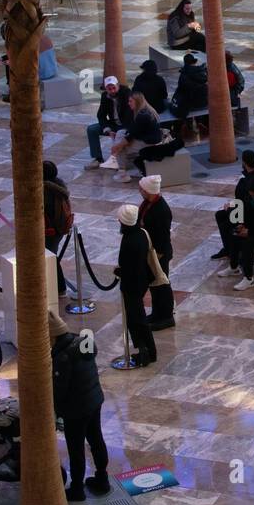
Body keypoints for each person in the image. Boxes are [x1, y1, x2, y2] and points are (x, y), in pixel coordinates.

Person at [49, 311, 110, 501]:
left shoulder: (62, 357)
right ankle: (102, 478)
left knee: (76, 449)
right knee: (96, 439)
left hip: (76, 409)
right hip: (94, 400)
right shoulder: (82, 342)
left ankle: (77, 488)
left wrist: (56, 413)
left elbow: (60, 390)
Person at [110, 204, 157, 367]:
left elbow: (129, 266)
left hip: (132, 285)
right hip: (141, 281)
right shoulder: (141, 233)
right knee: (136, 318)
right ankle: (147, 351)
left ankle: (147, 352)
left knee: (137, 319)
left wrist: (119, 271)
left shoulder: (130, 240)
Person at [211, 149, 254, 261]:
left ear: (244, 163)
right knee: (221, 215)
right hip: (252, 211)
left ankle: (231, 251)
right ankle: (229, 249)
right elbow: (243, 200)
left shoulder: (249, 182)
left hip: (253, 215)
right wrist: (232, 205)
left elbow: (246, 205)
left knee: (225, 222)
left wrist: (230, 208)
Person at [137, 175, 175, 329]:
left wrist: (157, 254)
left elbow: (163, 235)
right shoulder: (149, 204)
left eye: (141, 189)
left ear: (148, 191)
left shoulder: (161, 210)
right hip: (151, 252)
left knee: (162, 285)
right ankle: (157, 313)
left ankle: (166, 317)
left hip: (159, 253)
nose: (140, 191)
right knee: (155, 285)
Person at [105, 92, 163, 180]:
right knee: (120, 133)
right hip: (147, 137)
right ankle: (121, 163)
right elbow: (132, 130)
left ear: (137, 101)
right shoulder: (145, 110)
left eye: (130, 101)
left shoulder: (142, 115)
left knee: (122, 147)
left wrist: (116, 147)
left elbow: (130, 136)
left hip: (149, 143)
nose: (128, 103)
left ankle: (122, 173)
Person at [85, 76, 132, 169]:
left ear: (118, 85)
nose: (112, 91)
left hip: (125, 124)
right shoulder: (105, 96)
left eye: (114, 88)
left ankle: (118, 160)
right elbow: (101, 115)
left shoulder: (126, 94)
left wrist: (121, 130)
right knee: (91, 130)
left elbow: (130, 115)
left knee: (120, 134)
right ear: (106, 89)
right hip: (113, 124)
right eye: (109, 89)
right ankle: (98, 158)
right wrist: (108, 129)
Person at [43, 161, 73, 296]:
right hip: (59, 228)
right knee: (51, 256)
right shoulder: (59, 184)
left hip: (51, 230)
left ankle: (60, 288)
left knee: (51, 258)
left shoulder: (45, 190)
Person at [169, 52, 210, 139]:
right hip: (202, 103)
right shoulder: (202, 73)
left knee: (183, 104)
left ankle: (186, 126)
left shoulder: (183, 75)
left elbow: (182, 90)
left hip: (191, 104)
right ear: (194, 62)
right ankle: (201, 124)